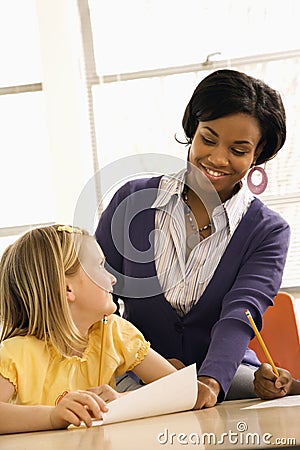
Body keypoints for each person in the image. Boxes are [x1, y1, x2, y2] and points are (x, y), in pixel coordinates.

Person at [95, 69, 290, 407]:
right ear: (192, 131)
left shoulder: (268, 231)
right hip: (133, 368)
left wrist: (210, 382)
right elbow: (95, 299)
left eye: (238, 149)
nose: (217, 158)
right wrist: (151, 365)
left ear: (257, 155)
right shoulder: (131, 202)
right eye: (208, 139)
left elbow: (240, 312)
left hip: (223, 370)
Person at [0, 224, 199, 435]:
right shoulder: (16, 353)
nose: (112, 278)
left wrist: (121, 400)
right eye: (101, 266)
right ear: (68, 288)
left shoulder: (114, 332)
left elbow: (183, 391)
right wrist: (52, 416)